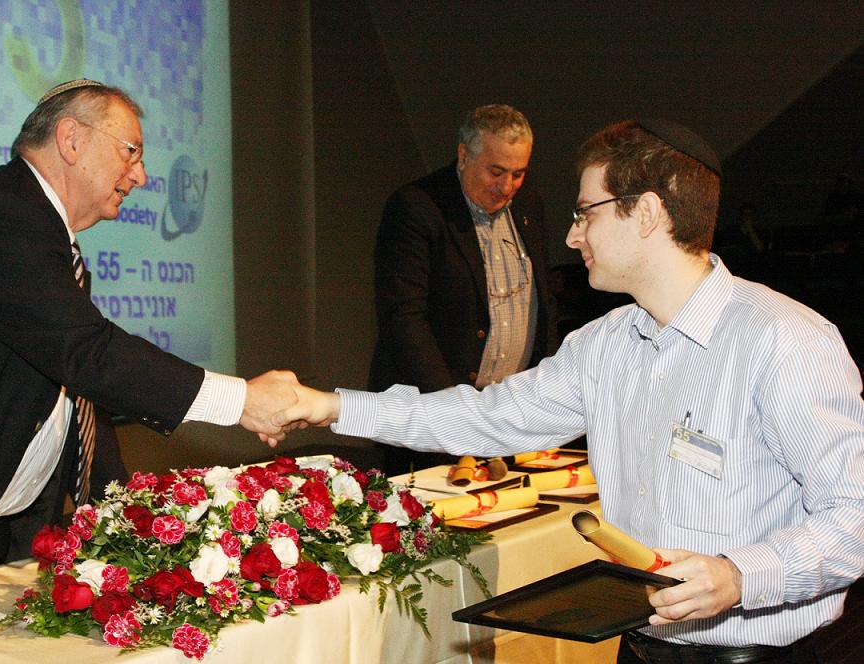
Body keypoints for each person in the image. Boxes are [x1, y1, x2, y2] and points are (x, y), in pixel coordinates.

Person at [277, 120, 864, 663]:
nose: (571, 235)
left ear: (647, 213)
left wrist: (739, 574)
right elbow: (486, 419)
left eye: (586, 213)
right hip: (639, 647)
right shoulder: (604, 345)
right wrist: (329, 405)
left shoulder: (785, 340)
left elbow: (854, 516)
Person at [0, 80, 298, 590]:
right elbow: (89, 353)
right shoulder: (3, 213)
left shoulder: (49, 240)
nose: (140, 175)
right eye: (131, 151)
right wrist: (242, 401)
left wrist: (126, 515)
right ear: (71, 139)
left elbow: (77, 395)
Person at [368, 104, 555, 475]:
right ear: (464, 154)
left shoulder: (528, 202)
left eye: (518, 174)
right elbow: (404, 320)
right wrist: (455, 412)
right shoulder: (416, 208)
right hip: (432, 418)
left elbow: (542, 298)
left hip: (509, 416)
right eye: (496, 172)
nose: (507, 187)